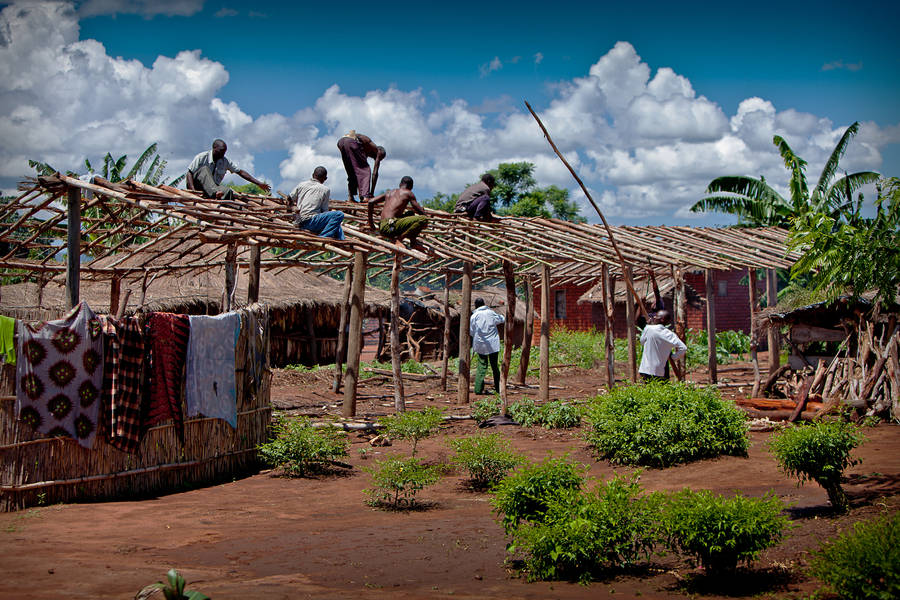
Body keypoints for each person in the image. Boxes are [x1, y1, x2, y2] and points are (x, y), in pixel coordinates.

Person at [185, 139, 271, 200]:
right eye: (221, 151)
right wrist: (193, 191)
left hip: (213, 188)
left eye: (224, 152)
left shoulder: (225, 161)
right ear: (214, 148)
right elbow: (189, 173)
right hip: (197, 185)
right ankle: (215, 193)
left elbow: (240, 172)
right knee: (205, 169)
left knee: (227, 191)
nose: (223, 154)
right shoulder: (202, 157)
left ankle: (223, 207)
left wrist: (258, 183)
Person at [367, 176, 429, 252]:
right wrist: (426, 218)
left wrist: (371, 224)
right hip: (391, 227)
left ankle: (413, 242)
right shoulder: (408, 193)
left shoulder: (389, 192)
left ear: (400, 184)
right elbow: (417, 208)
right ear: (411, 187)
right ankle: (399, 239)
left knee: (410, 213)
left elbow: (370, 202)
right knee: (423, 219)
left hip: (383, 227)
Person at [290, 166, 345, 240]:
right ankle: (323, 237)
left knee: (337, 225)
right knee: (339, 215)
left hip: (300, 222)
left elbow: (289, 198)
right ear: (325, 179)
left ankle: (341, 240)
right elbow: (324, 211)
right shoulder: (325, 189)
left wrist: (292, 206)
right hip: (312, 222)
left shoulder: (301, 185)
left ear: (313, 175)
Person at [337, 130, 386, 202]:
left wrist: (362, 193)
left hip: (341, 142)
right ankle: (365, 196)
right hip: (351, 142)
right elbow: (375, 173)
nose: (377, 160)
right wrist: (371, 193)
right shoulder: (377, 150)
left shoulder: (363, 150)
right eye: (380, 158)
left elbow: (358, 173)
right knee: (366, 170)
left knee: (352, 171)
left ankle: (351, 197)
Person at [638, 309, 686, 382]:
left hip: (645, 369)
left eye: (656, 316)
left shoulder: (648, 328)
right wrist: (674, 357)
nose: (654, 317)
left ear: (662, 319)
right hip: (659, 370)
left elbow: (642, 342)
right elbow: (683, 348)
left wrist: (648, 327)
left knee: (647, 388)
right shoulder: (669, 334)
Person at [470, 297, 505, 395]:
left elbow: (471, 331)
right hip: (493, 344)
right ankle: (498, 388)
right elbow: (502, 319)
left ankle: (478, 390)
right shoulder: (491, 313)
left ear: (476, 306)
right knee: (495, 366)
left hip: (480, 344)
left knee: (481, 366)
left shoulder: (474, 316)